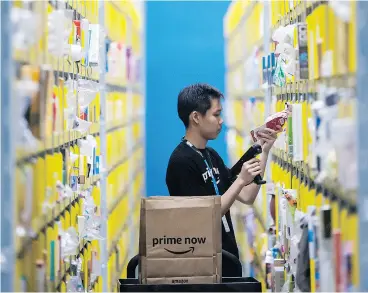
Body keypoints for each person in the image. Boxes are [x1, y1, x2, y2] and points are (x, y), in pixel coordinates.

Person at [165, 83, 280, 277]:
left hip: (227, 261)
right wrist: (240, 180)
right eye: (216, 114)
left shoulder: (211, 155)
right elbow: (203, 216)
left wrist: (264, 151)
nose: (221, 121)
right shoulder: (181, 162)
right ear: (196, 117)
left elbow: (247, 195)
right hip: (200, 269)